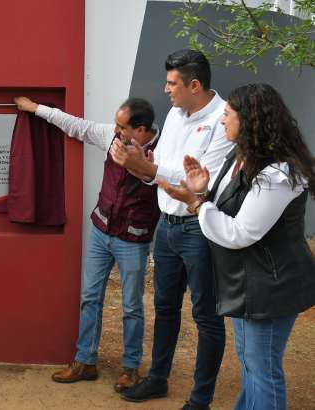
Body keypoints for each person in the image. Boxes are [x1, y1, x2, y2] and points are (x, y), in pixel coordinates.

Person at [157, 83, 315, 410]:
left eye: (228, 114)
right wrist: (202, 191)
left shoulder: (277, 174)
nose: (222, 120)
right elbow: (227, 207)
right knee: (250, 362)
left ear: (250, 120)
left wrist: (196, 204)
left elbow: (241, 232)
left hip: (271, 286)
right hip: (247, 282)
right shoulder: (240, 157)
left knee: (263, 368)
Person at [110, 49, 233, 410]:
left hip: (199, 227)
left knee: (206, 316)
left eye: (171, 83)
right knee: (164, 306)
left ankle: (200, 399)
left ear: (194, 85)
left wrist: (149, 170)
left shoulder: (223, 119)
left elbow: (203, 182)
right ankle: (158, 379)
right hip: (167, 225)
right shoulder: (176, 114)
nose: (165, 89)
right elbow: (162, 168)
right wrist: (141, 166)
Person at [15, 96, 160, 392]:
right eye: (116, 124)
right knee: (90, 298)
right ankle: (85, 361)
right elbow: (77, 126)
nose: (115, 130)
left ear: (141, 130)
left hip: (133, 239)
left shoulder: (164, 150)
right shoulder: (112, 135)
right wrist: (36, 109)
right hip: (101, 231)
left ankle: (131, 369)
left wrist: (141, 166)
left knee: (132, 307)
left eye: (121, 127)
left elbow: (168, 184)